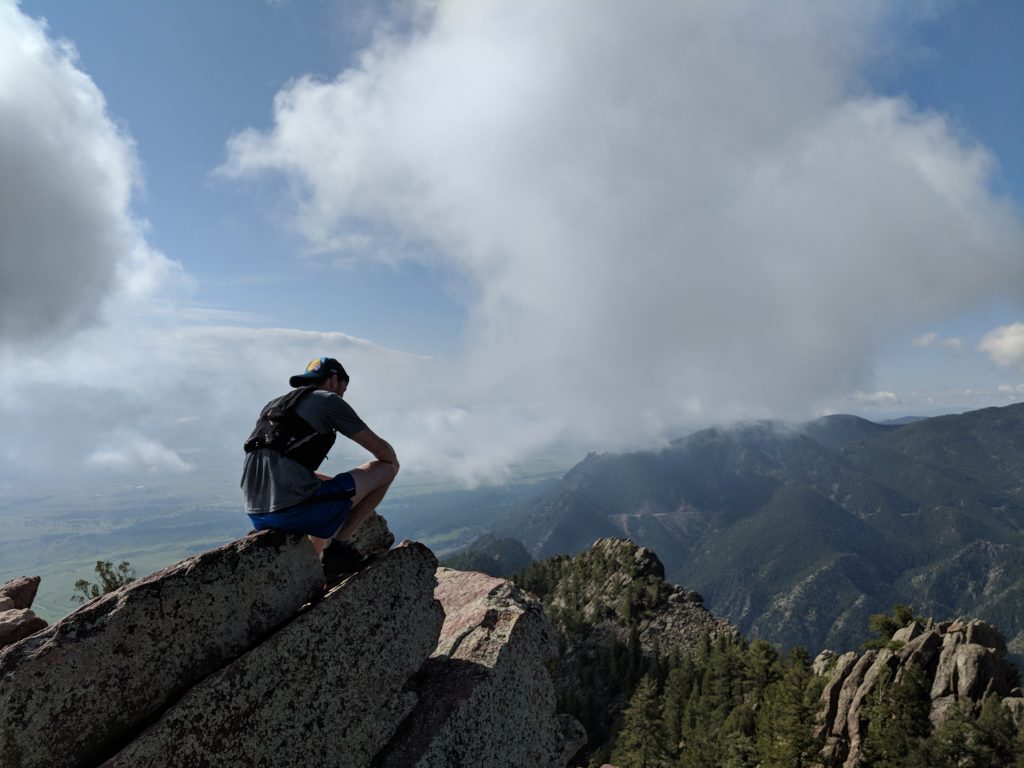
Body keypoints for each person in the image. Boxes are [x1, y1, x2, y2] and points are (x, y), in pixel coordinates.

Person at [241, 356, 399, 582]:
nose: (343, 393)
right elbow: (383, 453)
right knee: (387, 469)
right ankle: (338, 551)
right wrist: (374, 478)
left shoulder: (275, 405)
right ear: (334, 380)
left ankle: (314, 570)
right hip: (293, 511)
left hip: (257, 513)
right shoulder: (329, 401)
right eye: (344, 388)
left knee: (327, 489)